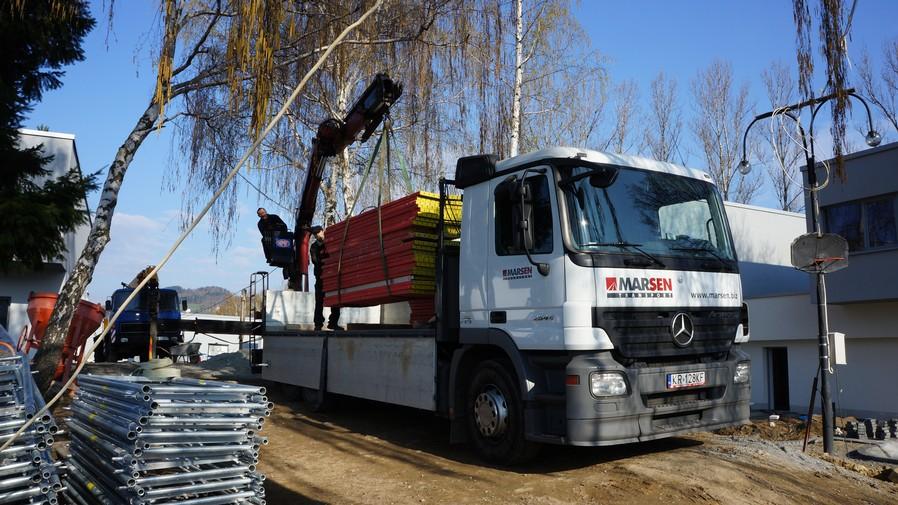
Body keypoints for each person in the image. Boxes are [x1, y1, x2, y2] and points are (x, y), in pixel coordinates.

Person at [310, 225, 342, 331]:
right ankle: (318, 324)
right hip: (321, 277)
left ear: (322, 231)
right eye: (315, 234)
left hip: (332, 276)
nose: (317, 235)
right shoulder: (314, 247)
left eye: (318, 232)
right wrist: (327, 261)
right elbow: (315, 261)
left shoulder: (331, 243)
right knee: (319, 301)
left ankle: (333, 323)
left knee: (335, 300)